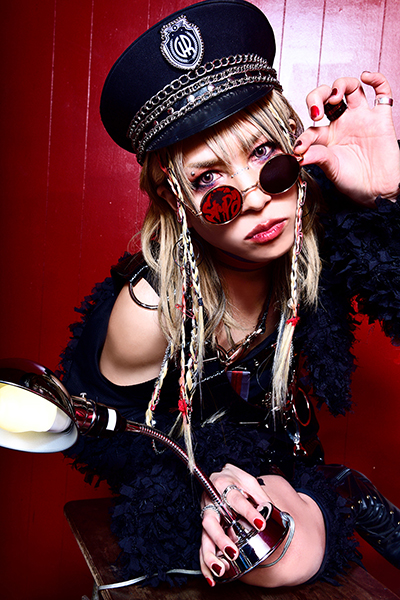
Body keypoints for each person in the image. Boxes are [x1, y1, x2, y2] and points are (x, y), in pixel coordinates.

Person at [60, 0, 400, 589]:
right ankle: (339, 495)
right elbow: (112, 444)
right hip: (198, 472)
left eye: (266, 157)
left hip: (290, 455)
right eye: (209, 182)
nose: (255, 197)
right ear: (175, 202)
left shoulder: (323, 233)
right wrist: (204, 489)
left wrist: (382, 195)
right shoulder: (149, 313)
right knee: (274, 558)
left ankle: (340, 492)